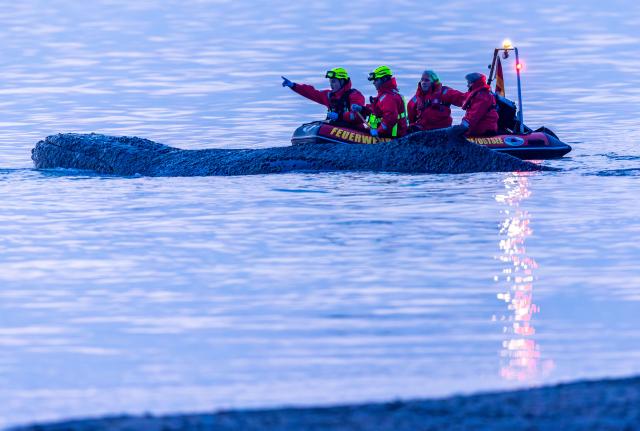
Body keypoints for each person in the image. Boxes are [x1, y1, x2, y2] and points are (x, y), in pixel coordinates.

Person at [281, 68, 365, 130]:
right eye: (330, 82)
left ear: (342, 82)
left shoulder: (355, 95)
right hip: (336, 128)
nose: (331, 85)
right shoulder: (329, 95)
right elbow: (311, 93)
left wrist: (339, 116)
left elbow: (357, 116)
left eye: (334, 82)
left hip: (354, 129)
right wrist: (293, 86)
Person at [351, 66, 408, 138]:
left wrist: (378, 131)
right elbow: (376, 111)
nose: (373, 83)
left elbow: (390, 119)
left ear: (384, 79)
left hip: (391, 137)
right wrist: (361, 108)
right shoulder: (384, 95)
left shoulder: (389, 97)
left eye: (376, 80)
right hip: (381, 133)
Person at [450, 72, 499, 137]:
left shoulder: (482, 96)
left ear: (474, 83)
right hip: (480, 129)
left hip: (484, 130)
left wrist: (462, 129)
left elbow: (473, 116)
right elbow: (461, 97)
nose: (467, 85)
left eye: (469, 83)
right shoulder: (477, 94)